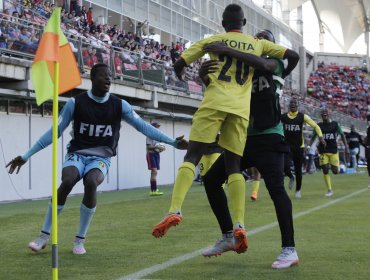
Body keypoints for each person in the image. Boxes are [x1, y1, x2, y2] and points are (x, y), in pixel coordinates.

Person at [151, 4, 295, 249]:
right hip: (240, 113)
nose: (260, 39)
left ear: (222, 22)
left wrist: (184, 75)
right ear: (245, 24)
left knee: (193, 154)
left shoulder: (216, 41)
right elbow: (290, 54)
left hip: (231, 111)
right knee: (231, 167)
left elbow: (180, 63)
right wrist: (206, 75)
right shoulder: (257, 45)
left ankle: (175, 208)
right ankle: (237, 226)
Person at [6, 63, 188, 255]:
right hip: (77, 153)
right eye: (103, 75)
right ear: (92, 79)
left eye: (110, 76)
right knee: (68, 180)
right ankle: (43, 235)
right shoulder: (75, 103)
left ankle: (79, 240)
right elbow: (55, 132)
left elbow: (143, 126)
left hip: (101, 158)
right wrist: (26, 156)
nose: (108, 79)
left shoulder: (120, 105)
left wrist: (172, 142)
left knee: (91, 182)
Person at [199, 28, 299, 269]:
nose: (260, 40)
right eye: (258, 37)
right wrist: (204, 77)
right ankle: (227, 236)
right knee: (211, 180)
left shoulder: (274, 62)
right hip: (241, 137)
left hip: (268, 136)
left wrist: (227, 49)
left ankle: (289, 249)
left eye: (266, 39)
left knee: (276, 189)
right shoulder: (239, 65)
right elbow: (219, 90)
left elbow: (288, 57)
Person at [281, 99, 325, 198]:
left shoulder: (302, 116)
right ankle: (291, 176)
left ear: (297, 106)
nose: (293, 105)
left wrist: (321, 137)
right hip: (287, 146)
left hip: (299, 147)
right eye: (291, 103)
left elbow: (316, 126)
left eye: (294, 103)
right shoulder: (283, 117)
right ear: (289, 106)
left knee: (298, 169)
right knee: (284, 166)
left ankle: (298, 190)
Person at [311, 108, 349, 197]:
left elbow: (342, 135)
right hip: (323, 151)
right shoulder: (318, 126)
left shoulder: (335, 124)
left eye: (326, 112)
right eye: (323, 113)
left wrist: (346, 147)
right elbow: (313, 136)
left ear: (329, 114)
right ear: (321, 115)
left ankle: (339, 166)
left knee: (335, 171)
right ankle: (329, 190)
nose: (324, 114)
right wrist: (308, 146)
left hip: (333, 151)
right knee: (325, 169)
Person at [146, 121, 165, 196]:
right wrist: (157, 147)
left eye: (158, 126)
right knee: (154, 171)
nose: (158, 128)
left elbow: (159, 146)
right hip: (150, 154)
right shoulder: (149, 135)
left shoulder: (158, 136)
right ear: (153, 127)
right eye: (156, 126)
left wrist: (161, 148)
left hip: (156, 155)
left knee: (154, 173)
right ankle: (154, 190)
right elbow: (148, 147)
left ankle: (153, 190)